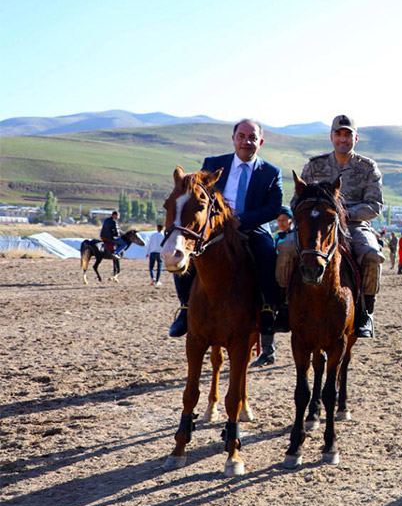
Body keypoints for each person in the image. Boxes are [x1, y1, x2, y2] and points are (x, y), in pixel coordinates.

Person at [169, 119, 283, 368]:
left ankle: (266, 311)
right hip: (212, 230)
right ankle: (186, 308)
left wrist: (241, 220)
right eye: (241, 136)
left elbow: (273, 207)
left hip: (249, 228)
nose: (246, 141)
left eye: (252, 138)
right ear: (233, 139)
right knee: (184, 254)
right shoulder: (213, 164)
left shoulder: (271, 173)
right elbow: (198, 195)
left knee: (268, 257)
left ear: (260, 142)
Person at [274, 115, 385, 339]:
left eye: (348, 134)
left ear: (356, 137)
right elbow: (297, 199)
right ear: (332, 136)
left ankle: (366, 311)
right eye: (339, 134)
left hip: (353, 225)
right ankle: (284, 305)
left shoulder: (367, 168)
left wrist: (343, 214)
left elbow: (375, 205)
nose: (343, 139)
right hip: (316, 224)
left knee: (372, 255)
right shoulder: (315, 166)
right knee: (285, 249)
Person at [146, 222, 165, 286]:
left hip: (152, 252)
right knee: (159, 267)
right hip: (159, 252)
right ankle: (157, 280)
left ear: (157, 228)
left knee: (151, 267)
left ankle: (152, 277)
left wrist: (147, 252)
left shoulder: (153, 235)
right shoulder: (163, 236)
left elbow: (149, 244)